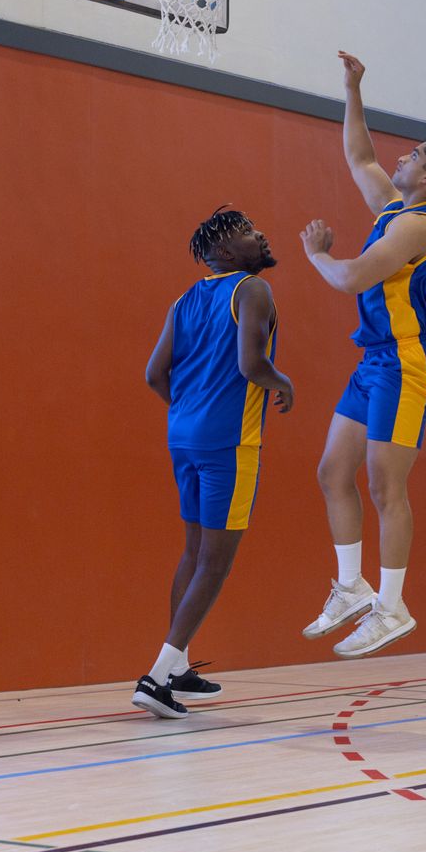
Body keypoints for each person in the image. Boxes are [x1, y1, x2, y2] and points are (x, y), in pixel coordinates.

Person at [299, 51, 426, 658]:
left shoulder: (422, 226)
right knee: (331, 473)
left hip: (407, 363)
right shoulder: (398, 206)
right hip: (374, 362)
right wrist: (352, 88)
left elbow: (351, 279)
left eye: (414, 156)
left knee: (384, 486)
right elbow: (360, 155)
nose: (401, 156)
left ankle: (392, 607)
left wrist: (317, 253)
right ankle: (350, 587)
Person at [133, 207, 293, 718]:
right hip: (229, 443)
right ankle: (156, 679)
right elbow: (252, 364)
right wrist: (282, 381)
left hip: (182, 437)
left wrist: (188, 412)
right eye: (248, 232)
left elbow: (154, 374)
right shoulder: (252, 289)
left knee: (194, 551)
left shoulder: (184, 299)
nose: (261, 234)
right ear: (225, 253)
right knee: (216, 562)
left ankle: (176, 667)